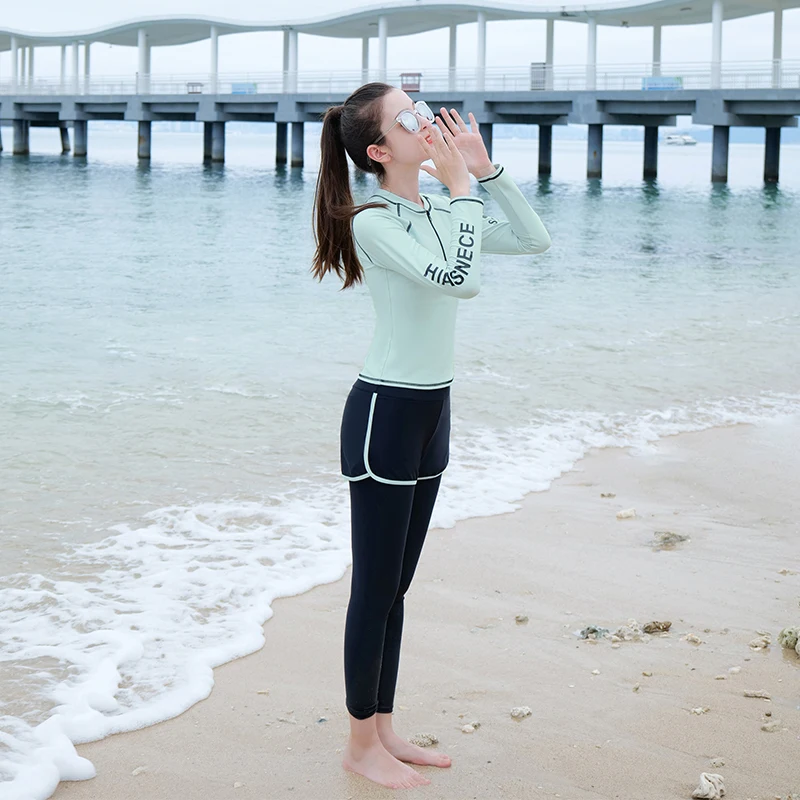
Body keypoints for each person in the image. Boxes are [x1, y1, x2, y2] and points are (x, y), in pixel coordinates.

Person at [311, 82, 551, 790]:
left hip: (431, 412)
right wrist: (459, 191)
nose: (428, 119)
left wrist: (483, 174)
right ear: (381, 149)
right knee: (373, 587)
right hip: (384, 414)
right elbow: (459, 278)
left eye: (423, 104)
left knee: (398, 588)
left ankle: (383, 731)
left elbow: (534, 240)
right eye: (409, 115)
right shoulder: (374, 220)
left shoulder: (441, 205)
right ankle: (358, 745)